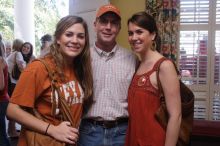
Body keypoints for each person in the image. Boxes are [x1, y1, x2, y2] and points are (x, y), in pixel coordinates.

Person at [6, 15, 93, 146]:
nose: (75, 40)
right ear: (58, 38)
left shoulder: (79, 69)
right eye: (69, 34)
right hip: (42, 141)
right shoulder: (39, 67)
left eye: (80, 36)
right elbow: (12, 110)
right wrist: (52, 130)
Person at [78, 4, 137, 146]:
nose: (108, 27)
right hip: (89, 132)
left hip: (122, 132)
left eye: (114, 23)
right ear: (95, 24)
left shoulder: (132, 59)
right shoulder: (82, 57)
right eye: (104, 21)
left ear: (119, 28)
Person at [125, 11, 181, 146]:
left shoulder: (164, 66)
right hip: (133, 139)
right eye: (130, 33)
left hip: (155, 140)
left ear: (153, 35)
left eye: (139, 32)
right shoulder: (136, 65)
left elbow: (176, 116)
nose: (134, 37)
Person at [6, 38, 25, 138]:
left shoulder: (11, 54)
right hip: (14, 83)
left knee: (11, 105)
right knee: (14, 106)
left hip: (9, 83)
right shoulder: (18, 54)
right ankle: (12, 131)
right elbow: (22, 66)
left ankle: (11, 130)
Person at [0, 33, 11, 146]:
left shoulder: (0, 60)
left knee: (1, 136)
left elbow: (0, 86)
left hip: (1, 100)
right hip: (3, 100)